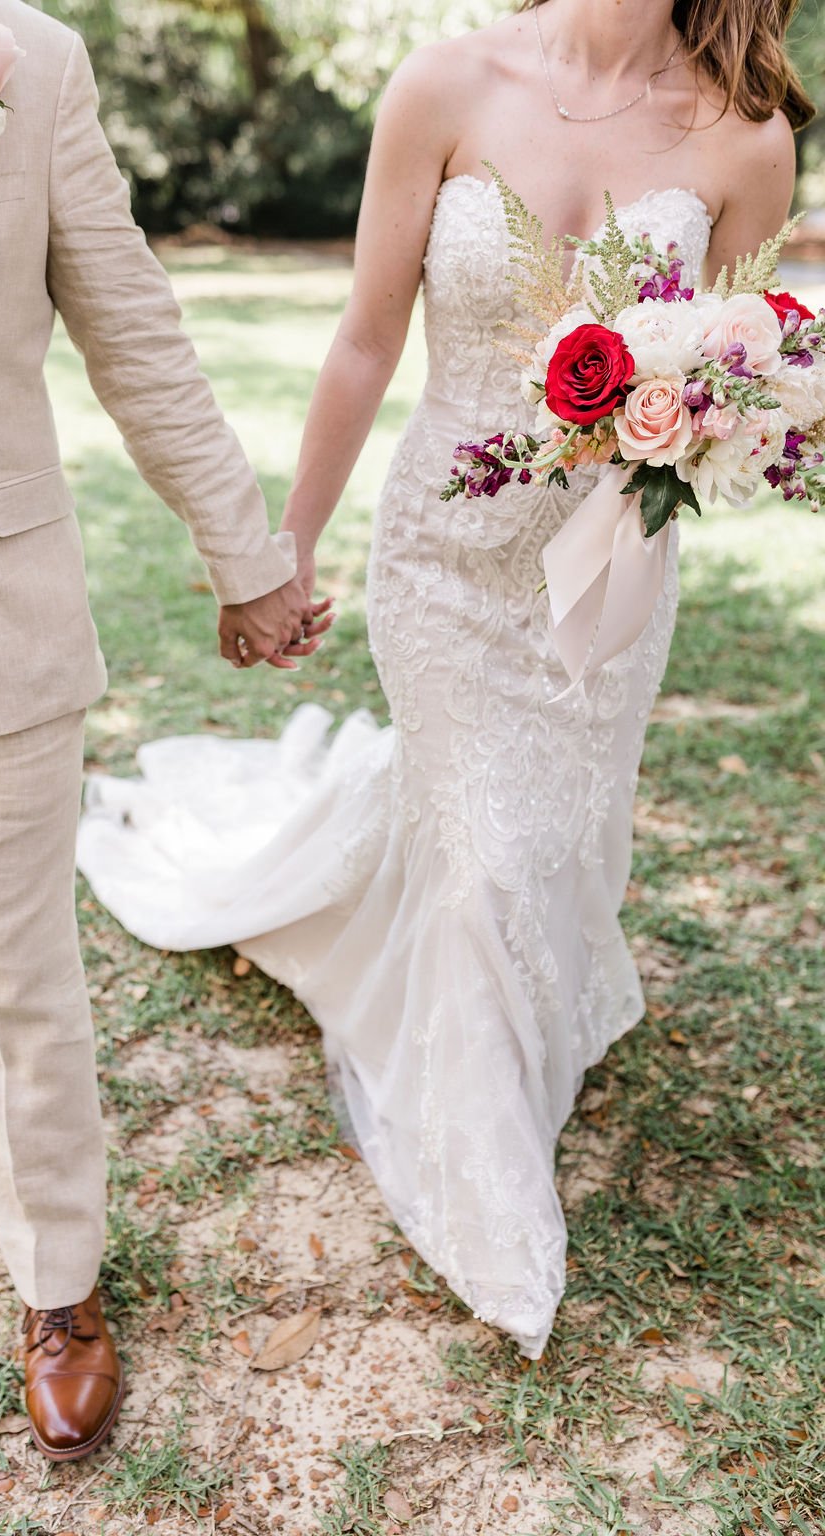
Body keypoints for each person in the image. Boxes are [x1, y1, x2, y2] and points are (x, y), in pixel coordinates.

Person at [78, 0, 811, 1358]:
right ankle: (489, 1194)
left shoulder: (749, 139)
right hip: (444, 561)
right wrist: (281, 550)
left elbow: (749, 366)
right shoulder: (446, 83)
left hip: (606, 575)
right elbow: (365, 337)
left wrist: (707, 419)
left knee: (552, 844)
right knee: (481, 862)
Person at [0, 0, 327, 1462]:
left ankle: (58, 1287)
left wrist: (249, 556)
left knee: (20, 972)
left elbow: (134, 332)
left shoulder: (21, 53)